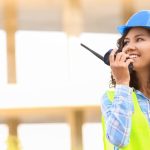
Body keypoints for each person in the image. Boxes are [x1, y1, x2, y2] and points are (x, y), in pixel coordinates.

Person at [101, 10, 150, 150]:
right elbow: (119, 139)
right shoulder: (110, 99)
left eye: (139, 39)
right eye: (126, 42)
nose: (129, 47)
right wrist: (122, 83)